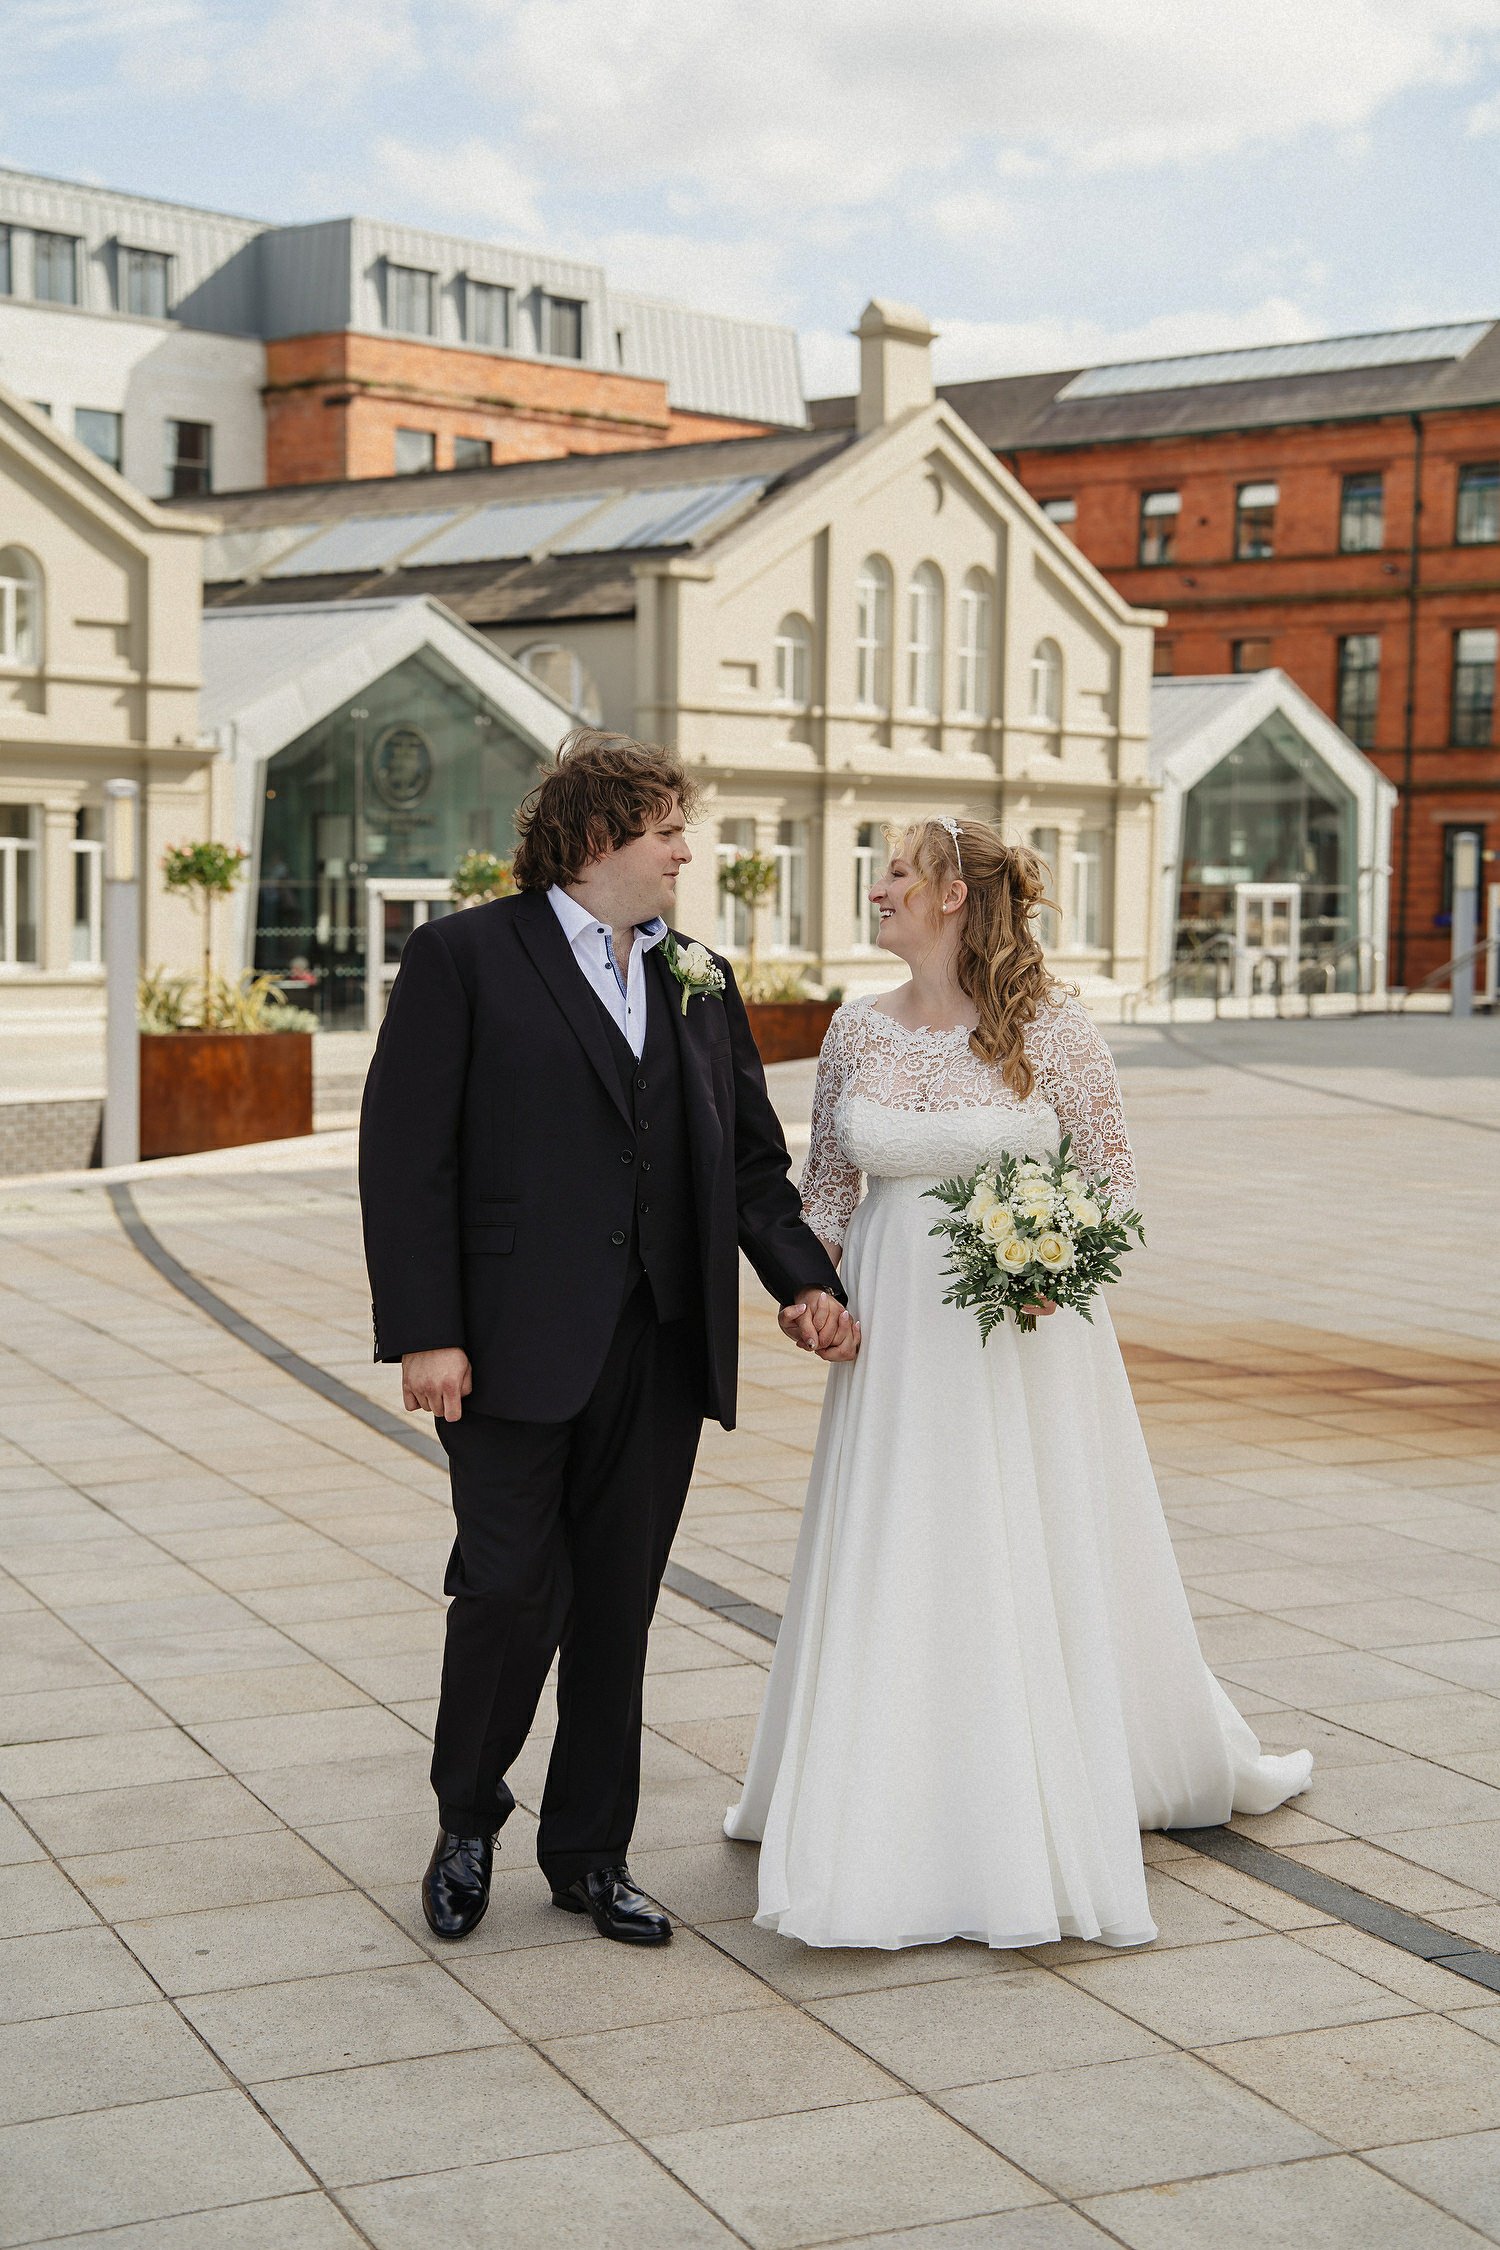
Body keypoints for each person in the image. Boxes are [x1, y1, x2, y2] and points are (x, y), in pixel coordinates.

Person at [726, 818, 1311, 1951]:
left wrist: (1053, 1263)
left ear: (951, 896)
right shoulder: (856, 1031)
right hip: (896, 1345)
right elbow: (828, 1196)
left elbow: (1110, 1183)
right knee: (908, 1539)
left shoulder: (1051, 1029)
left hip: (1024, 1335)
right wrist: (812, 1296)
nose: (878, 888)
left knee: (1024, 1536)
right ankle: (894, 1783)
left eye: (896, 872)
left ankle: (1047, 1770)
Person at [359, 730, 857, 1946]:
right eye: (668, 831)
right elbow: (405, 1155)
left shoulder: (699, 976)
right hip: (512, 1344)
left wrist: (800, 1283)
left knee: (620, 1608)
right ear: (597, 840)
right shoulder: (464, 955)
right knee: (506, 1591)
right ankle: (467, 1817)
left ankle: (590, 1853)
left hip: (660, 1343)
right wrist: (427, 1332)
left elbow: (748, 1163)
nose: (688, 851)